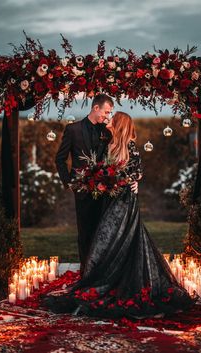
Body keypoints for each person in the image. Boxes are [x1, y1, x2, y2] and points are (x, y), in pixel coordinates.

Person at [46, 111, 195, 319]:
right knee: (108, 240)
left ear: (119, 124)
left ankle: (114, 279)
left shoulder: (130, 146)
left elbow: (137, 171)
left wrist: (132, 181)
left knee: (118, 238)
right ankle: (104, 277)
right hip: (111, 199)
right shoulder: (108, 143)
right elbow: (111, 170)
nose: (109, 120)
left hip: (124, 201)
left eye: (112, 118)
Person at [55, 95, 137, 276]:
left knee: (104, 233)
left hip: (106, 191)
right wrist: (69, 182)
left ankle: (102, 272)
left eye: (110, 113)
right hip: (83, 190)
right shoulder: (73, 129)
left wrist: (134, 180)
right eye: (106, 112)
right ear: (95, 108)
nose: (108, 116)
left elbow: (125, 154)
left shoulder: (108, 131)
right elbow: (60, 159)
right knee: (85, 232)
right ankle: (86, 272)